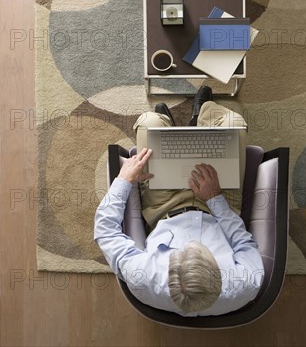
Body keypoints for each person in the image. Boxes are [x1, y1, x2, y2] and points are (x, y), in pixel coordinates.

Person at [94, 87, 264, 316]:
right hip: (219, 209)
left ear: (167, 272)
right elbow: (244, 244)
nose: (188, 241)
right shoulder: (246, 284)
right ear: (221, 273)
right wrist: (215, 199)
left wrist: (124, 179)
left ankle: (169, 124)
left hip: (164, 206)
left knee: (149, 121)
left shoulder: (144, 279)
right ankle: (202, 115)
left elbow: (105, 232)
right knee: (233, 121)